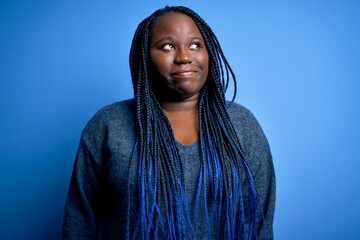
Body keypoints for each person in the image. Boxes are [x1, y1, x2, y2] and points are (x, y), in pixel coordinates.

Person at [61, 6, 275, 240]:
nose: (184, 56)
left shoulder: (241, 125)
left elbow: (259, 224)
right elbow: (79, 221)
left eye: (195, 45)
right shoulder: (108, 125)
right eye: (168, 46)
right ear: (145, 57)